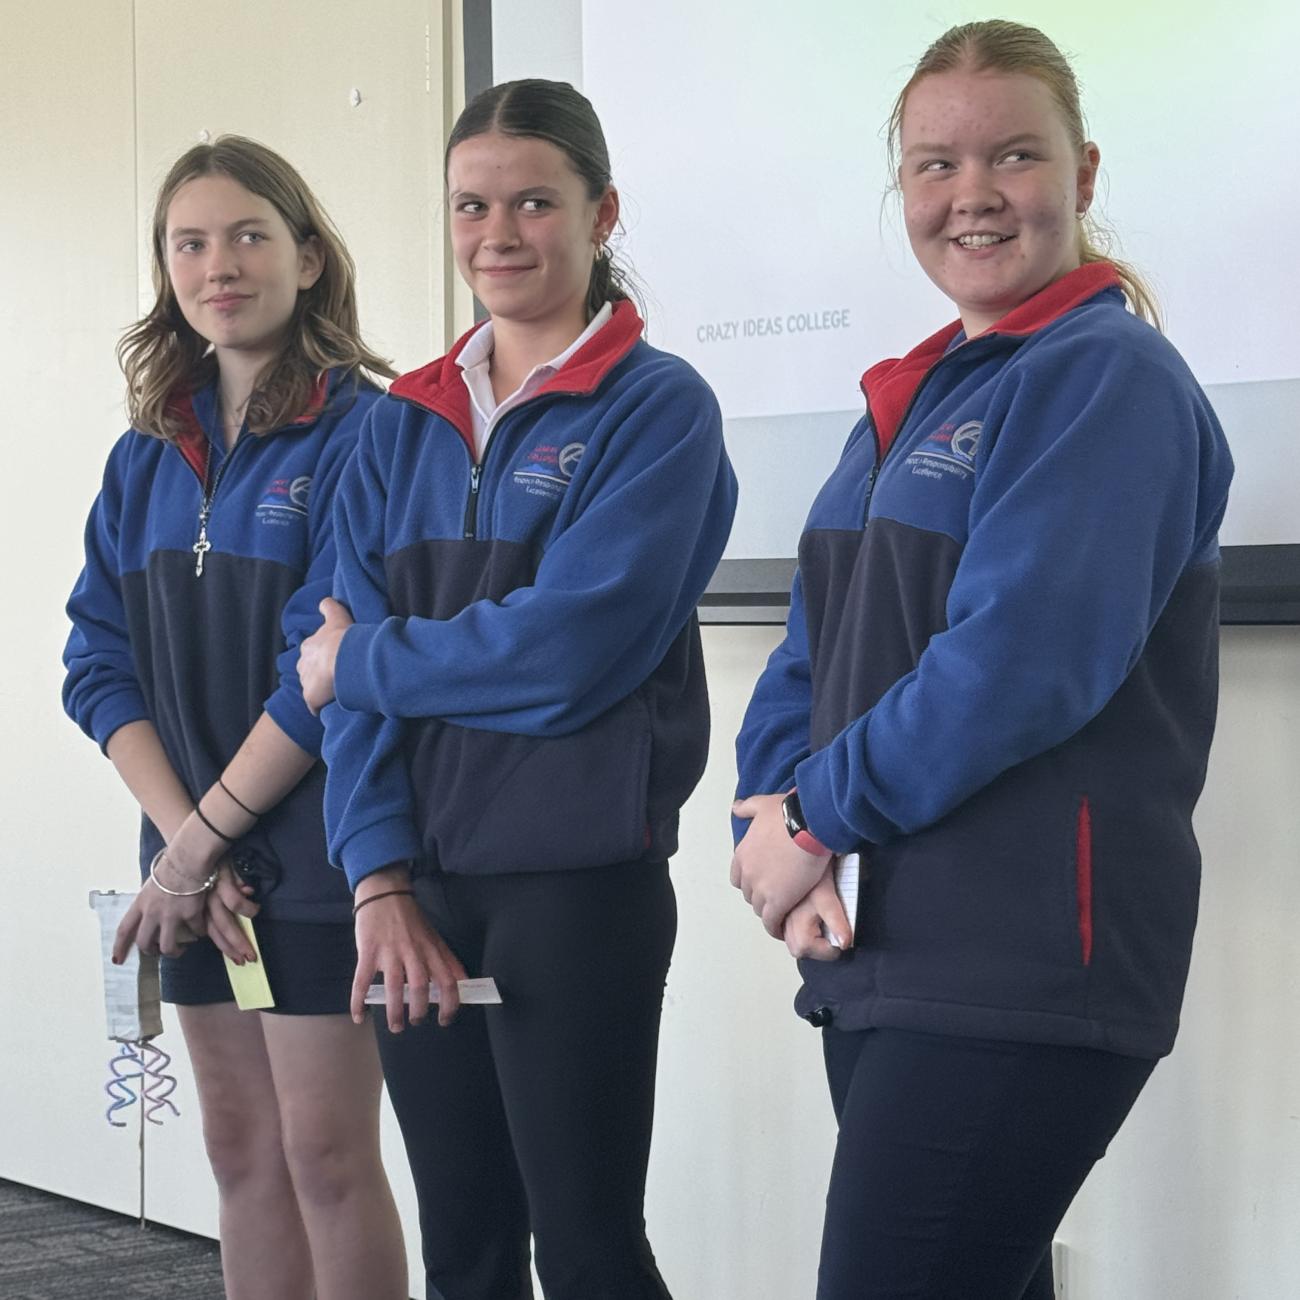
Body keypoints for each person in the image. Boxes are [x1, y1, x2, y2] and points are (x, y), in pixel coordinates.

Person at [731, 20, 1234, 1300]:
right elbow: (812, 639)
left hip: (1019, 959)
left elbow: (1020, 663)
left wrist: (815, 813)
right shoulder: (915, 392)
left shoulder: (1103, 378)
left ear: (1083, 171)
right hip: (887, 947)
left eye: (1014, 156)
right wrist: (770, 810)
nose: (972, 195)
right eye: (933, 165)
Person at [296, 78, 737, 1300]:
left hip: (576, 885)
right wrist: (377, 876)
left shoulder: (659, 410)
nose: (499, 232)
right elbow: (334, 660)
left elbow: (567, 655)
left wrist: (369, 663)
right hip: (415, 890)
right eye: (471, 206)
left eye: (534, 201)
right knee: (467, 1251)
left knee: (588, 1246)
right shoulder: (398, 425)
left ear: (600, 214)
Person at [62, 136, 408, 1300]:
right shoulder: (141, 456)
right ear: (168, 270)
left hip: (308, 870)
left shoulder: (370, 434)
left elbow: (318, 676)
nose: (221, 264)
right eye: (191, 243)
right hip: (194, 879)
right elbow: (96, 662)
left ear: (308, 258)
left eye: (250, 235)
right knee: (239, 1149)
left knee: (324, 1154)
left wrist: (203, 843)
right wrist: (179, 849)